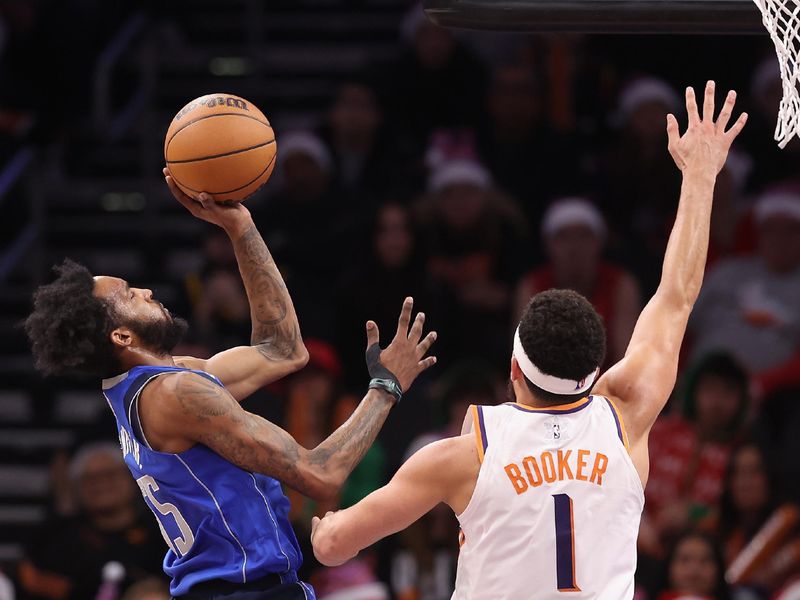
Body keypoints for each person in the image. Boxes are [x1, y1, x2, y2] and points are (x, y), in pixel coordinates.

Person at [310, 81, 748, 599]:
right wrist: (700, 177)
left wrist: (324, 527)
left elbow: (333, 549)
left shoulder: (464, 452)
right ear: (596, 367)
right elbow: (677, 295)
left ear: (514, 367)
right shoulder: (627, 416)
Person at [24, 170, 438, 600]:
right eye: (129, 295)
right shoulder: (177, 395)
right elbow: (321, 474)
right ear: (121, 337)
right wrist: (385, 386)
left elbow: (282, 350)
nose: (146, 291)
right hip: (241, 591)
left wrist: (240, 228)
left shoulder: (147, 386)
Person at [18, 443, 166, 600]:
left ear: (132, 477)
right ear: (77, 487)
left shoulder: (162, 529)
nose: (102, 484)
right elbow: (34, 580)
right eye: (90, 478)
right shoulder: (57, 537)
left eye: (110, 474)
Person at [513, 197, 641, 366]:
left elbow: (626, 359)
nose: (574, 247)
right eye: (563, 237)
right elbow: (524, 359)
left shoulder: (621, 285)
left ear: (599, 242)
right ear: (548, 245)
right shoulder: (531, 286)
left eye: (584, 235)